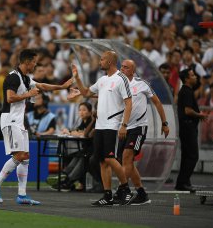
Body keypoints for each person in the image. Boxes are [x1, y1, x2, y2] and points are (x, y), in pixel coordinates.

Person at [0, 49, 73, 205]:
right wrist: (29, 94)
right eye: (34, 61)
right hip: (10, 120)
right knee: (20, 156)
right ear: (27, 62)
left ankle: (22, 195)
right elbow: (10, 98)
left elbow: (42, 86)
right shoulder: (13, 77)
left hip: (19, 121)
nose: (35, 64)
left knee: (25, 157)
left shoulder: (25, 78)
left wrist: (62, 86)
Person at [72, 50, 135, 206]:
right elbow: (86, 93)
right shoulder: (102, 80)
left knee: (110, 158)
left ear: (110, 62)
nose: (99, 62)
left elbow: (128, 103)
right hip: (100, 126)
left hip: (113, 126)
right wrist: (78, 79)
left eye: (102, 59)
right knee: (102, 161)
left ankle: (125, 189)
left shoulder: (121, 79)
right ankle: (108, 195)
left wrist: (124, 125)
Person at [118, 59, 170, 205]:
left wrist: (164, 123)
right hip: (124, 127)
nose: (122, 69)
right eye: (121, 66)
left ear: (133, 71)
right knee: (128, 162)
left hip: (139, 127)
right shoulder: (117, 83)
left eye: (126, 67)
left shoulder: (141, 84)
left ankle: (121, 191)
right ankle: (142, 194)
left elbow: (157, 102)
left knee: (127, 157)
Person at [47, 102, 94, 191]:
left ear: (90, 112)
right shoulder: (83, 122)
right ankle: (64, 175)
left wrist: (73, 132)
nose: (81, 112)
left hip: (92, 150)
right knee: (75, 155)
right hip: (85, 149)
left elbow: (84, 134)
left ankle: (68, 180)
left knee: (82, 157)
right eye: (80, 110)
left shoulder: (91, 122)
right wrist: (69, 131)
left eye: (84, 110)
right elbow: (76, 131)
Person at [175, 68, 208, 192]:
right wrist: (200, 115)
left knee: (186, 155)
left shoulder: (185, 91)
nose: (196, 77)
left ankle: (182, 182)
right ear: (187, 79)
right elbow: (188, 111)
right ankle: (183, 181)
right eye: (193, 75)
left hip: (186, 127)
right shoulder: (187, 91)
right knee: (193, 156)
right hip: (188, 127)